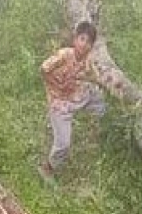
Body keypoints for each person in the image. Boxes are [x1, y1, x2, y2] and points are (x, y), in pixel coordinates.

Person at [39, 21, 106, 182]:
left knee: (100, 101)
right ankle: (48, 168)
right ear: (75, 39)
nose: (85, 45)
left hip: (76, 96)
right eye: (82, 39)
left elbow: (95, 75)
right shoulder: (64, 55)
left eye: (89, 42)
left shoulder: (87, 60)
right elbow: (43, 69)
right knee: (63, 143)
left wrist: (104, 81)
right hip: (60, 104)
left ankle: (97, 132)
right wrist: (55, 85)